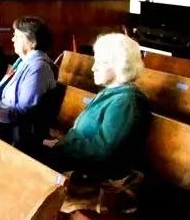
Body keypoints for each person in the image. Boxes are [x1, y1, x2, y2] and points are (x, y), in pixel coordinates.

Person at [40, 32, 148, 179]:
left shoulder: (125, 102)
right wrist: (60, 144)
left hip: (91, 174)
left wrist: (61, 145)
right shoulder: (110, 92)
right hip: (73, 158)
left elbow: (101, 151)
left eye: (101, 62)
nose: (93, 68)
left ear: (119, 65)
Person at [0, 16, 57, 148]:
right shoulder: (22, 62)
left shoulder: (39, 68)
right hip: (4, 123)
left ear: (32, 42)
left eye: (17, 36)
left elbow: (24, 110)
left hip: (17, 133)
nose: (13, 39)